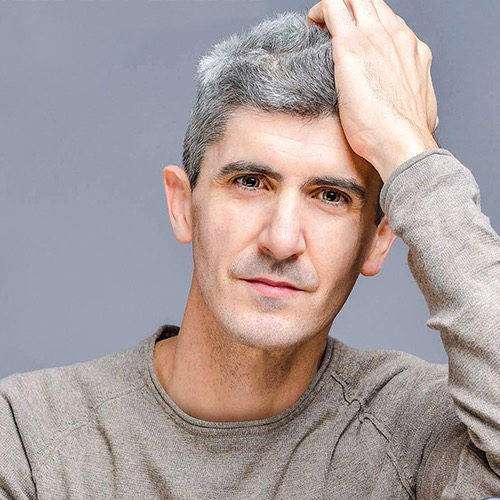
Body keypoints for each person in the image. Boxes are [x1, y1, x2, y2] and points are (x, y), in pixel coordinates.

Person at [1, 0, 499, 498]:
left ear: (380, 239)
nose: (281, 241)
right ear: (182, 205)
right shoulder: (30, 438)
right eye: (250, 182)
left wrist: (411, 151)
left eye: (331, 196)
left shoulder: (421, 436)